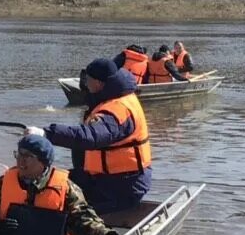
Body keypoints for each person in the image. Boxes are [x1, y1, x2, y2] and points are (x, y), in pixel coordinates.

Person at [27, 57, 152, 214]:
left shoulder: (117, 110)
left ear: (98, 83)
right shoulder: (115, 97)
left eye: (88, 80)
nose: (85, 84)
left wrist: (46, 133)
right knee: (51, 182)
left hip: (123, 187)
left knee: (67, 207)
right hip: (105, 178)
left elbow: (90, 136)